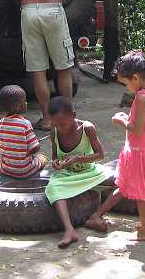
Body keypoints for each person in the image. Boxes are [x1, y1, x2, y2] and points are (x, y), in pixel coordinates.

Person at [84, 50, 145, 241]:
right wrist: (130, 118)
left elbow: (136, 130)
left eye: (126, 83)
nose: (126, 88)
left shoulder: (142, 98)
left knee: (141, 194)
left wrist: (122, 121)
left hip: (140, 152)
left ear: (135, 78)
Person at [15, 0, 78, 131]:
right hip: (53, 9)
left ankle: (47, 119)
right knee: (63, 67)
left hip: (29, 11)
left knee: (38, 70)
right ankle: (67, 117)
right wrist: (62, 1)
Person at [45, 96, 111, 248]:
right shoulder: (54, 133)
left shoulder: (87, 128)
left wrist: (77, 159)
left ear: (74, 115)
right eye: (56, 124)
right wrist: (55, 162)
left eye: (63, 123)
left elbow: (100, 155)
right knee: (53, 189)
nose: (60, 128)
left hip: (89, 172)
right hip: (67, 175)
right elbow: (55, 154)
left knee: (124, 183)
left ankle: (96, 216)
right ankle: (69, 230)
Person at [0, 85, 47, 178]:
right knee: (42, 158)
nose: (26, 103)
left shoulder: (0, 124)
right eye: (25, 101)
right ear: (18, 106)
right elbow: (35, 148)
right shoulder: (25, 124)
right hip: (25, 171)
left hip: (6, 170)